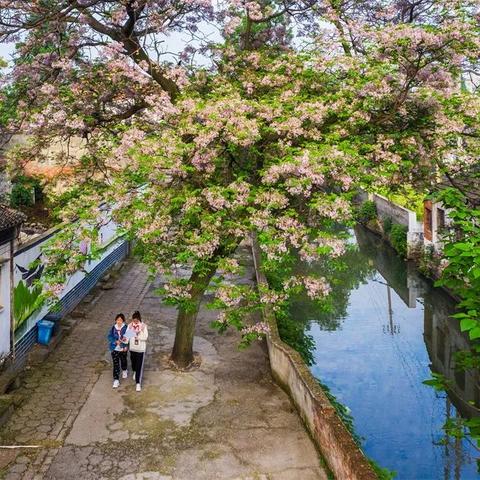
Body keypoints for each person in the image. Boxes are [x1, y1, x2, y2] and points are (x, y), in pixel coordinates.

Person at [128, 310, 148, 392]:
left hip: (140, 349)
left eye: (136, 320)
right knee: (133, 363)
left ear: (139, 319)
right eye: (134, 320)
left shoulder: (143, 326)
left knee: (139, 365)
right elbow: (127, 337)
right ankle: (135, 371)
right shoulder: (130, 326)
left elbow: (145, 337)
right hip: (132, 348)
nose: (135, 321)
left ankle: (138, 383)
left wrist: (138, 336)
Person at [107, 313, 128, 389]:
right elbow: (109, 336)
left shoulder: (126, 328)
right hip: (114, 348)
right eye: (118, 320)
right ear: (115, 320)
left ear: (123, 321)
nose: (119, 321)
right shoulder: (113, 328)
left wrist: (125, 346)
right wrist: (115, 341)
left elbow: (128, 337)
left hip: (122, 349)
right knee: (116, 364)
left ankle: (124, 369)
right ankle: (116, 380)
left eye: (121, 320)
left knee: (123, 360)